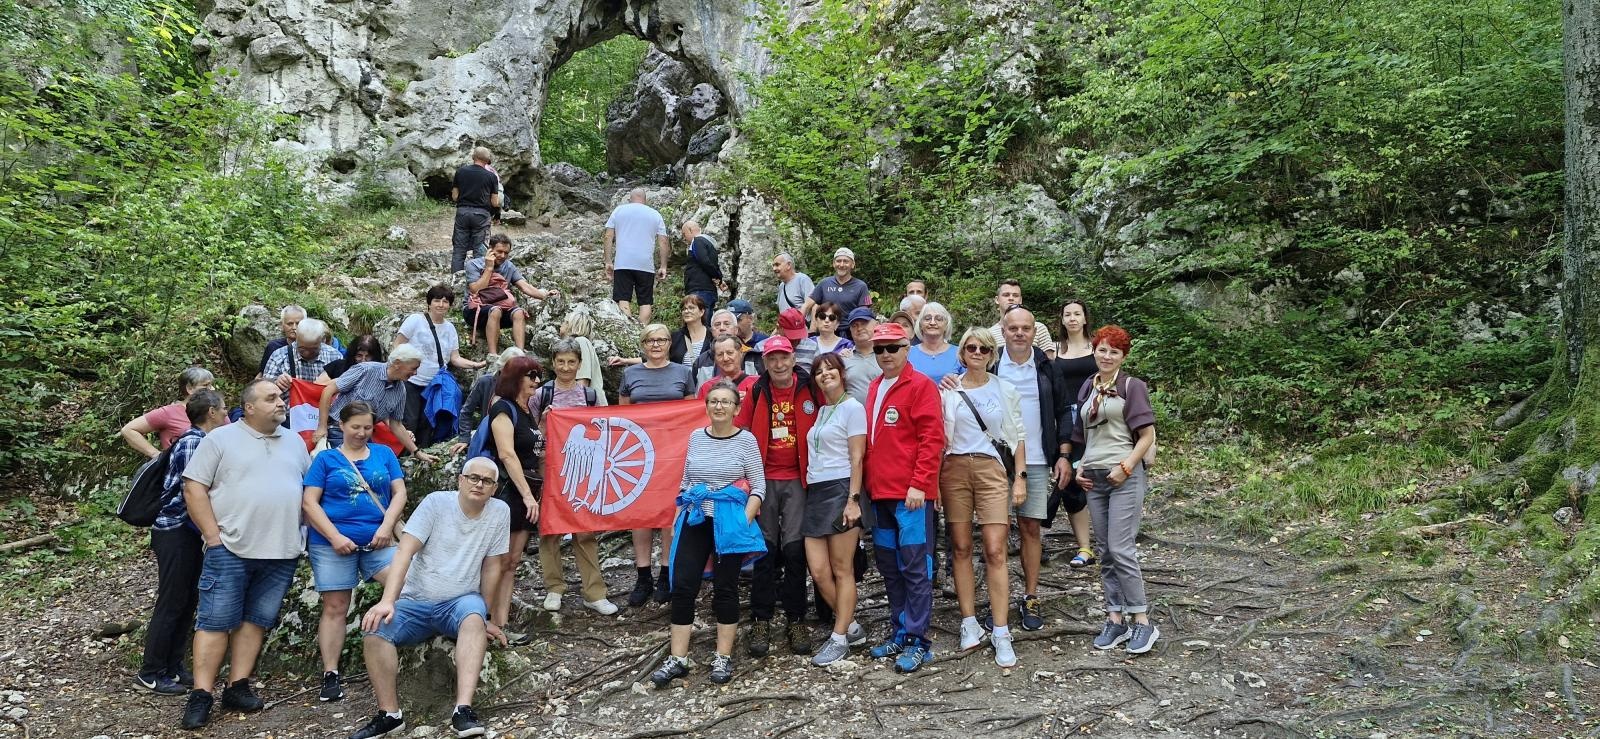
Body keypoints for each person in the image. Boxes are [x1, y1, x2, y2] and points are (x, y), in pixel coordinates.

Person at [179, 380, 311, 729]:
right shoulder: (220, 439)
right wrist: (212, 536)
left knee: (256, 620)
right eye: (271, 398)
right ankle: (202, 694)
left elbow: (308, 492)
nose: (281, 403)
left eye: (281, 398)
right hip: (231, 548)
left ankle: (237, 686)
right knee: (214, 621)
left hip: (281, 551)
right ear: (248, 407)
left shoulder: (295, 441)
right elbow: (194, 488)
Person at [347, 457, 510, 739]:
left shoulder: (499, 512)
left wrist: (488, 616)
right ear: (460, 479)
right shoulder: (436, 503)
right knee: (374, 630)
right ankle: (390, 714)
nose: (479, 484)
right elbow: (404, 553)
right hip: (416, 601)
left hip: (460, 602)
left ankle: (463, 709)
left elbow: (493, 565)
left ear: (494, 488)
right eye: (473, 477)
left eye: (487, 481)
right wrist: (388, 600)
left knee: (473, 616)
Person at [647, 382, 766, 688]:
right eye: (714, 401)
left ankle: (723, 657)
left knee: (725, 588)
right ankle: (678, 658)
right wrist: (677, 517)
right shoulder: (697, 437)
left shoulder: (746, 441)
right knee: (684, 585)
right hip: (696, 516)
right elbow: (687, 480)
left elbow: (759, 487)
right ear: (707, 406)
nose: (719, 406)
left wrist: (742, 520)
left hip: (729, 520)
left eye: (726, 402)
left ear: (737, 409)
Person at [302, 401, 408, 703]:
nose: (362, 433)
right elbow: (310, 502)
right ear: (341, 426)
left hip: (379, 540)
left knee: (404, 582)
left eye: (367, 427)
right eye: (355, 427)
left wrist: (386, 527)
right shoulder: (326, 459)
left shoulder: (384, 454)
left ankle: (390, 643)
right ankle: (331, 672)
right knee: (336, 606)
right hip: (332, 544)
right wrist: (334, 536)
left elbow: (399, 492)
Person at [862, 322, 945, 674]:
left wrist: (920, 484)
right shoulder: (874, 386)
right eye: (879, 349)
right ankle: (900, 627)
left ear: (906, 348)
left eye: (892, 348)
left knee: (915, 567)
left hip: (910, 496)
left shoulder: (921, 385)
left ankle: (918, 639)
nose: (885, 355)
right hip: (879, 494)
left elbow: (932, 439)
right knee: (890, 568)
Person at [940, 328, 1026, 667]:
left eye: (984, 348)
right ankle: (969, 622)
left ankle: (1001, 629)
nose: (977, 352)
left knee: (995, 548)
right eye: (971, 347)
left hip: (991, 470)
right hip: (954, 470)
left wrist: (1019, 478)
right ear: (961, 352)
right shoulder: (947, 389)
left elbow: (1018, 436)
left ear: (992, 354)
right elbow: (938, 438)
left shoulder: (1004, 389)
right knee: (960, 547)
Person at [1071, 325, 1159, 655]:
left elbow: (1147, 435)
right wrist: (1079, 465)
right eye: (1102, 349)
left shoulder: (1131, 386)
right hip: (1094, 478)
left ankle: (1142, 621)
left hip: (1124, 476)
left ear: (1123, 356)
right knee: (1106, 550)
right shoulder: (1087, 387)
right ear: (1094, 350)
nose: (1106, 356)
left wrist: (1125, 468)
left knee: (1121, 548)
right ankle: (1115, 619)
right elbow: (1084, 434)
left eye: (1114, 352)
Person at [136, 388, 227, 695]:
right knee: (172, 600)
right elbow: (191, 491)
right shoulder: (192, 442)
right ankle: (150, 671)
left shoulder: (204, 441)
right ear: (211, 412)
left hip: (189, 533)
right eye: (224, 409)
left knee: (187, 600)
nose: (228, 414)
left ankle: (173, 667)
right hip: (174, 530)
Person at [734, 335, 819, 657]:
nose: (779, 364)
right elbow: (741, 433)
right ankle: (761, 618)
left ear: (793, 358)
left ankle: (796, 617)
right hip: (763, 479)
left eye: (784, 357)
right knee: (764, 550)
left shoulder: (810, 388)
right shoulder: (757, 390)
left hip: (799, 479)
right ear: (765, 362)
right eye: (773, 359)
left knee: (795, 549)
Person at [992, 306, 1072, 631]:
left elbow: (1065, 410)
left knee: (1029, 529)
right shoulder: (991, 361)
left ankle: (1030, 595)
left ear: (1033, 330)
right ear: (1004, 328)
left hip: (1038, 458)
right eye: (1014, 328)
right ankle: (998, 599)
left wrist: (1064, 454)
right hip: (995, 461)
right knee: (994, 534)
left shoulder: (1046, 366)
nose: (1020, 333)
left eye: (1026, 328)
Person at [531, 340, 616, 615]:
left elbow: (603, 430)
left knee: (585, 529)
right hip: (549, 468)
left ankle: (594, 592)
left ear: (580, 364)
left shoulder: (589, 395)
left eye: (571, 362)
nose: (566, 367)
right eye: (560, 362)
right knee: (550, 529)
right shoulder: (541, 395)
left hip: (584, 469)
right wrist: (543, 424)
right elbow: (530, 437)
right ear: (552, 363)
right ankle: (554, 588)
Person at [617, 324, 695, 606]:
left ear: (668, 343)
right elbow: (622, 415)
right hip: (638, 455)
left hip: (674, 452)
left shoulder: (683, 373)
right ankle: (642, 576)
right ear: (643, 343)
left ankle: (665, 572)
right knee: (640, 513)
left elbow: (691, 413)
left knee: (667, 512)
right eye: (650, 340)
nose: (656, 344)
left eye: (661, 339)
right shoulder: (630, 373)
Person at [802, 353, 868, 666]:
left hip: (842, 488)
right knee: (818, 569)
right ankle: (852, 625)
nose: (825, 374)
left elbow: (858, 458)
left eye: (830, 369)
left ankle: (839, 637)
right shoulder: (822, 410)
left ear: (842, 373)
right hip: (815, 491)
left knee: (843, 569)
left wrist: (853, 499)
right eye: (819, 371)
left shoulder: (853, 408)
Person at [480, 356, 543, 640]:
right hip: (509, 491)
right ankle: (483, 619)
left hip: (527, 488)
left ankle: (502, 624)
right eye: (531, 376)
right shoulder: (502, 407)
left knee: (512, 560)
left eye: (538, 376)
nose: (537, 382)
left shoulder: (527, 410)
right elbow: (506, 453)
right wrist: (528, 496)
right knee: (497, 559)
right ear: (516, 377)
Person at [396, 285, 486, 440]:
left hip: (434, 384)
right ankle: (404, 456)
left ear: (450, 305)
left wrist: (475, 365)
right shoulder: (415, 320)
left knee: (428, 422)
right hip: (411, 381)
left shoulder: (449, 328)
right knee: (409, 420)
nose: (441, 304)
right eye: (436, 300)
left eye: (445, 301)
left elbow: (454, 358)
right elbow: (398, 346)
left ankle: (421, 457)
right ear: (429, 303)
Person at [315, 346, 433, 461]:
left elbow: (396, 425)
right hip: (338, 430)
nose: (415, 373)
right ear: (397, 363)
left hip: (363, 436)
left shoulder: (401, 390)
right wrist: (322, 427)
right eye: (413, 368)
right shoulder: (365, 370)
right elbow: (328, 390)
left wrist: (416, 452)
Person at [1052, 300, 1097, 569]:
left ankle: (1108, 542)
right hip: (1064, 418)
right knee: (1069, 479)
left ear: (1085, 318)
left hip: (1096, 415)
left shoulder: (1097, 347)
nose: (1072, 318)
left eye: (1076, 314)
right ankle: (1085, 546)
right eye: (1067, 314)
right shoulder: (1054, 351)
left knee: (1100, 473)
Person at [465, 234, 560, 355]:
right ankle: (493, 355)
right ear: (490, 250)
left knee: (519, 312)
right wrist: (489, 268)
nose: (503, 256)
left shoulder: (508, 266)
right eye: (499, 251)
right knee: (495, 310)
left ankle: (520, 353)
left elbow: (524, 286)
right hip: (475, 311)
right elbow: (475, 290)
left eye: (506, 253)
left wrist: (545, 294)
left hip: (500, 309)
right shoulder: (473, 265)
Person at [604, 188, 669, 324]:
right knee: (645, 301)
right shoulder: (655, 214)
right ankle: (643, 330)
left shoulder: (619, 211)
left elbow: (608, 236)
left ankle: (628, 330)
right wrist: (663, 266)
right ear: (645, 200)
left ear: (630, 199)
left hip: (623, 263)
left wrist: (608, 261)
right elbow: (663, 241)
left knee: (623, 298)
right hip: (645, 264)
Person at [121, 367, 216, 458]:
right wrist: (157, 456)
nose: (212, 389)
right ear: (190, 389)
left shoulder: (217, 411)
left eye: (211, 385)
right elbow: (129, 430)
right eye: (206, 385)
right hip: (179, 471)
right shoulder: (169, 413)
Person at [453, 347, 526, 453]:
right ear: (501, 366)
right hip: (488, 440)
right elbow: (467, 411)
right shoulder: (485, 382)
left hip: (516, 441)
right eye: (511, 368)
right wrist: (464, 438)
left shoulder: (525, 386)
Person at [450, 147, 500, 274]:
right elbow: (495, 202)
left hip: (462, 212)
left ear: (473, 157)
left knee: (459, 249)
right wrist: (497, 215)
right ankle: (477, 279)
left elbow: (455, 196)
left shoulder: (460, 172)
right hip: (481, 215)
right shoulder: (491, 176)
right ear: (488, 160)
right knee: (480, 249)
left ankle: (455, 278)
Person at [263, 318, 343, 395]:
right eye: (302, 349)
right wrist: (276, 381)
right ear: (296, 337)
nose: (307, 353)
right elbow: (264, 388)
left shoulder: (335, 356)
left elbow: (344, 385)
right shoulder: (279, 356)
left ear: (323, 340)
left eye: (313, 350)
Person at [689, 309, 763, 385]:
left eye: (727, 324)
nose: (722, 328)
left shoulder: (753, 357)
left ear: (736, 330)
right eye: (717, 324)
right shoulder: (701, 361)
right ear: (712, 331)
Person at [988, 280, 1056, 358]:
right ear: (997, 299)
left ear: (1020, 300)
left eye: (1015, 295)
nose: (1011, 298)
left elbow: (1049, 362)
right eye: (1006, 295)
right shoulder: (989, 334)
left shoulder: (1039, 328)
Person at [802, 247, 872, 322]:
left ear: (853, 264)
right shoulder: (824, 283)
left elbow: (864, 314)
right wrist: (796, 323)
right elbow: (806, 306)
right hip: (827, 330)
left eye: (846, 261)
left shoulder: (861, 286)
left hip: (850, 331)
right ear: (833, 263)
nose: (841, 265)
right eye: (838, 261)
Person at [558, 305, 608, 404]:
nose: (561, 325)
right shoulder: (580, 343)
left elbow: (582, 381)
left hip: (586, 409)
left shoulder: (581, 342)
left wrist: (573, 406)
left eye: (564, 321)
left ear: (571, 325)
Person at [681, 221, 724, 323]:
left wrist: (717, 277)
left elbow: (704, 261)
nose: (684, 238)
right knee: (706, 320)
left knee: (699, 322)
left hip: (699, 289)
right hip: (708, 290)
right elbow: (713, 265)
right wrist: (719, 279)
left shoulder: (697, 241)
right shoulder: (710, 245)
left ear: (690, 230)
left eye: (684, 234)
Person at [907, 302, 960, 382]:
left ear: (946, 325)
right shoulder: (908, 353)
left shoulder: (959, 353)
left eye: (938, 319)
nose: (932, 323)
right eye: (927, 319)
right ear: (920, 324)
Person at [840, 308, 882, 405]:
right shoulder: (843, 359)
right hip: (852, 417)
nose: (859, 328)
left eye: (864, 323)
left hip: (882, 415)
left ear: (876, 324)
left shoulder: (887, 355)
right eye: (854, 325)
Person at [696, 334, 758, 399]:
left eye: (730, 353)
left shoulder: (756, 383)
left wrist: (751, 399)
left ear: (741, 353)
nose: (725, 358)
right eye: (720, 354)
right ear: (715, 359)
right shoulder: (707, 387)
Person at [258, 305, 306, 376]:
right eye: (290, 324)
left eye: (298, 323)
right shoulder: (273, 347)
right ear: (282, 325)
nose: (294, 327)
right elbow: (262, 374)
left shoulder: (312, 347)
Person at [320, 335, 386, 382]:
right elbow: (320, 384)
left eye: (368, 357)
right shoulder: (337, 365)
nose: (363, 361)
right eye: (359, 356)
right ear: (352, 355)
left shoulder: (382, 371)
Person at [668, 295, 710, 367]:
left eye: (691, 308)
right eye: (684, 309)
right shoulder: (675, 337)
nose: (687, 311)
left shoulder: (712, 335)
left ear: (701, 312)